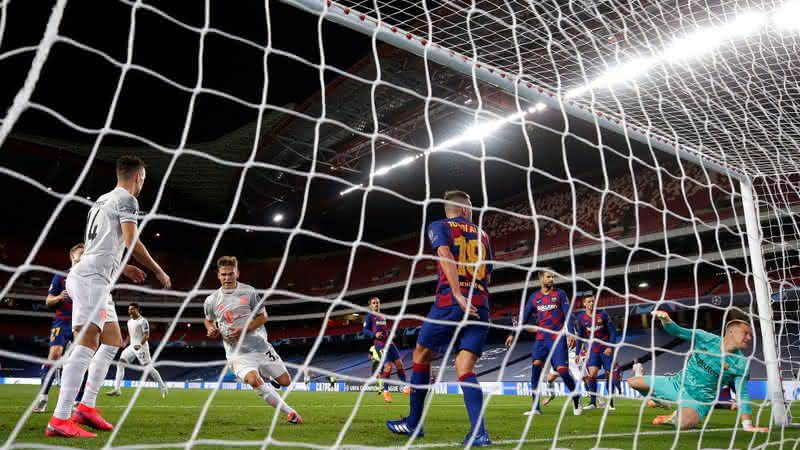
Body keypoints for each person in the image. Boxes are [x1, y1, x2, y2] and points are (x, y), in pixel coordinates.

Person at [46, 155, 166, 438]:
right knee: (88, 340)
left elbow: (100, 245)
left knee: (112, 339)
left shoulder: (101, 200)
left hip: (96, 278)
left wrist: (123, 267)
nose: (142, 185)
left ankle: (86, 407)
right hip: (90, 280)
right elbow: (132, 241)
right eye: (143, 180)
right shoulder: (128, 200)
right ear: (137, 177)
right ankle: (60, 418)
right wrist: (158, 270)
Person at [386, 190, 494, 447]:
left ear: (451, 210)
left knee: (421, 353)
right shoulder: (484, 236)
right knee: (465, 368)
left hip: (450, 303)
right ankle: (479, 433)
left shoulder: (438, 226)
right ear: (466, 210)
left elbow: (445, 255)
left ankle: (413, 423)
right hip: (480, 304)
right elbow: (488, 275)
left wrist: (457, 293)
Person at [628, 311, 767, 431]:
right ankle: (660, 401)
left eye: (750, 335)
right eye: (746, 333)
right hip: (676, 383)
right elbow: (677, 331)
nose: (749, 338)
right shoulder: (705, 338)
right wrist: (666, 320)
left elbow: (742, 395)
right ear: (731, 331)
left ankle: (672, 418)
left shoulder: (742, 364)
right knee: (633, 382)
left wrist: (747, 425)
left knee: (683, 424)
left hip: (699, 400)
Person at [204, 256, 302, 424]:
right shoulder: (211, 300)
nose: (227, 278)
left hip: (260, 346)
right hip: (237, 353)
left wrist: (245, 329)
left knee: (286, 382)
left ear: (237, 273)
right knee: (253, 379)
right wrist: (210, 328)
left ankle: (267, 375)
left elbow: (263, 316)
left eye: (231, 274)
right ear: (218, 275)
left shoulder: (249, 292)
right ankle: (291, 414)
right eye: (224, 274)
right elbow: (208, 319)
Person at [506, 270, 581, 417]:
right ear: (541, 279)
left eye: (553, 276)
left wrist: (571, 333)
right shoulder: (534, 297)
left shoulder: (560, 294)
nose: (552, 279)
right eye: (549, 276)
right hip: (541, 340)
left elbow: (568, 315)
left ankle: (575, 396)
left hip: (557, 338)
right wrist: (512, 334)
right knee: (535, 368)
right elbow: (523, 318)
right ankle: (536, 408)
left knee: (563, 371)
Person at [33, 244, 87, 413]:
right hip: (62, 321)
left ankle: (78, 401)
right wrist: (59, 297)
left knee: (83, 360)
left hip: (82, 322)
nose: (84, 256)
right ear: (72, 255)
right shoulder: (60, 276)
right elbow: (48, 301)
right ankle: (43, 398)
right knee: (55, 354)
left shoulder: (89, 277)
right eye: (81, 253)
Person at [106, 303, 167, 397]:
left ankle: (162, 386)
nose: (130, 311)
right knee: (120, 364)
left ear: (137, 309)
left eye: (132, 309)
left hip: (141, 347)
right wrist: (125, 343)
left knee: (148, 368)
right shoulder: (129, 322)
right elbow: (130, 335)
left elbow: (146, 335)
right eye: (129, 309)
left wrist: (139, 344)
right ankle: (117, 389)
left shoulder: (143, 321)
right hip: (132, 347)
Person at [574, 295, 617, 409]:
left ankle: (611, 402)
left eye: (593, 301)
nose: (592, 303)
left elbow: (613, 332)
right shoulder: (581, 318)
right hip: (593, 349)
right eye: (589, 302)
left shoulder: (602, 314)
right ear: (584, 304)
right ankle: (592, 402)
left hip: (605, 348)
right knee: (592, 374)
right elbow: (579, 336)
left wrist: (610, 347)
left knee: (609, 374)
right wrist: (577, 353)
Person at [363, 297, 409, 402]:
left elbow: (383, 330)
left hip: (390, 343)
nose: (376, 304)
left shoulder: (382, 317)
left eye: (377, 303)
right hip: (380, 345)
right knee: (388, 366)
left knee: (400, 364)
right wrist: (374, 334)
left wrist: (389, 334)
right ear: (370, 306)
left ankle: (406, 387)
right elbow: (364, 330)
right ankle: (386, 392)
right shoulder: (369, 317)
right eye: (374, 303)